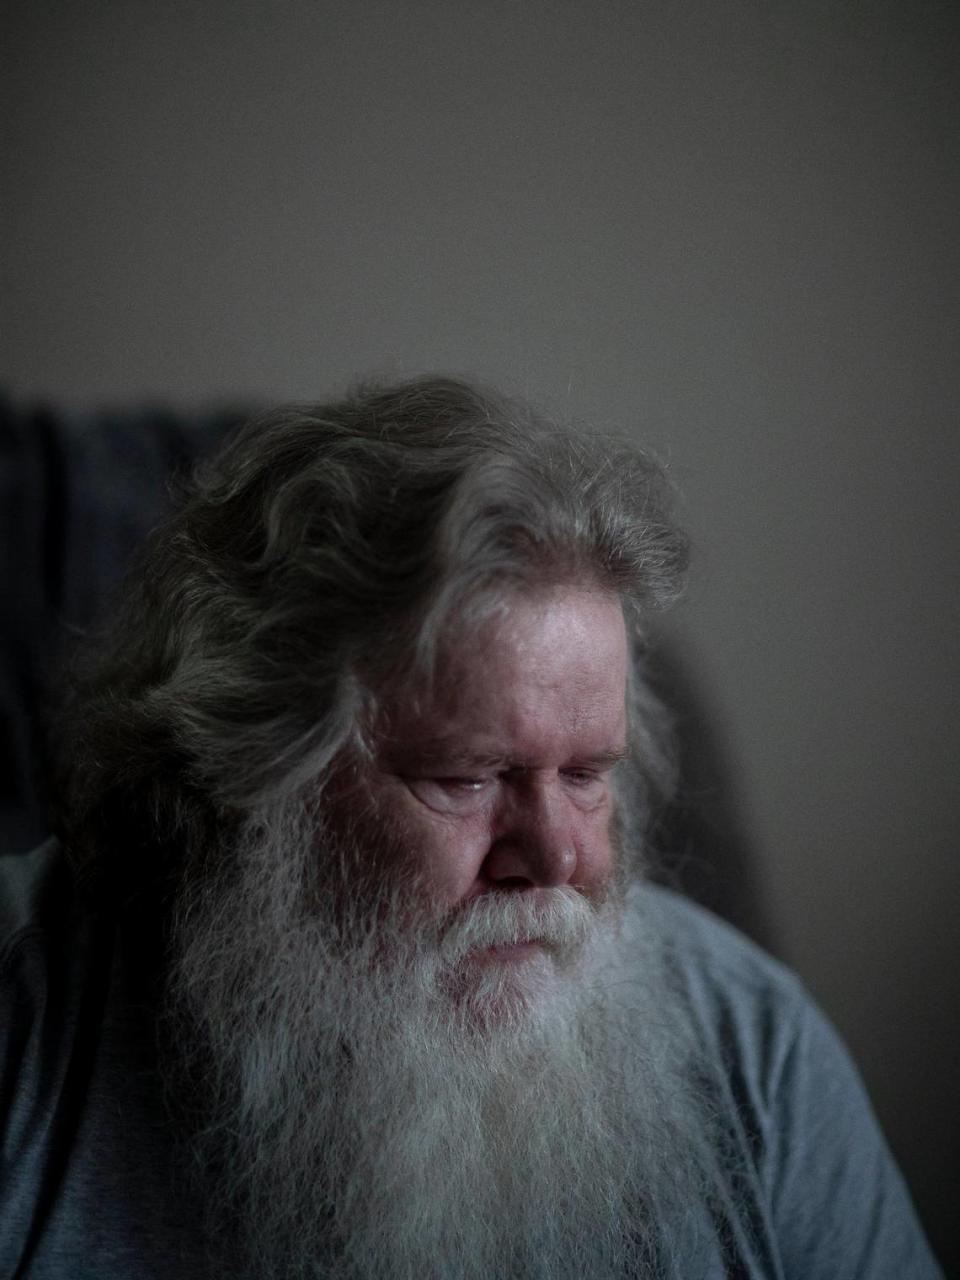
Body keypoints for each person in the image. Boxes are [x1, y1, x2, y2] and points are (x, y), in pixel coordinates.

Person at [0, 377, 941, 1279]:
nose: (559, 857)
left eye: (585, 775)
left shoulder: (755, 1046)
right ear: (250, 783)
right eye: (465, 778)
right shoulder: (27, 1028)